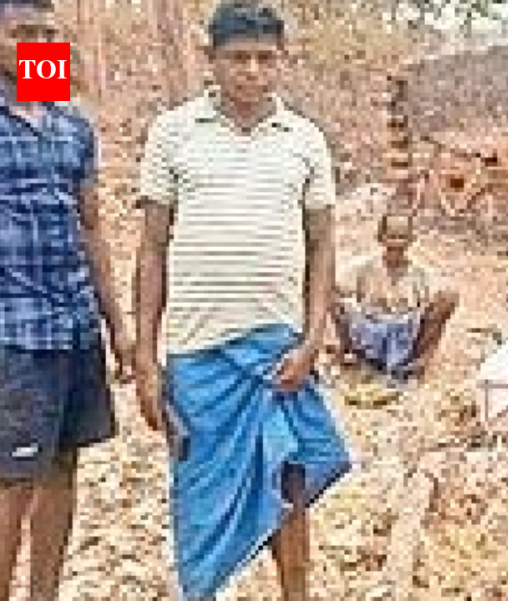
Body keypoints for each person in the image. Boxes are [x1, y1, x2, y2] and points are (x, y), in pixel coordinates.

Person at [134, 2, 351, 599]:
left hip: (278, 353)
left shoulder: (304, 139)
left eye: (264, 59)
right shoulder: (173, 133)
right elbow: (151, 250)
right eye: (237, 59)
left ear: (282, 61)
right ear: (212, 59)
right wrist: (145, 362)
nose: (251, 72)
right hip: (198, 355)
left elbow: (323, 245)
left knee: (291, 483)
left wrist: (311, 342)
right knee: (200, 495)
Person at [0, 1, 134, 599]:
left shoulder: (69, 121)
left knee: (62, 464)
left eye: (47, 36)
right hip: (13, 331)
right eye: (21, 34)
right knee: (11, 479)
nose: (35, 45)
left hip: (75, 325)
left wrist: (118, 325)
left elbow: (92, 228)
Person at [333, 211, 458, 385]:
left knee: (449, 297)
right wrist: (354, 311)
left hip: (406, 334)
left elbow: (438, 299)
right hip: (369, 330)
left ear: (411, 240)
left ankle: (418, 363)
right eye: (392, 237)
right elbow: (336, 287)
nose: (397, 243)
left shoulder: (420, 273)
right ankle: (353, 353)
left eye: (402, 237)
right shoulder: (364, 267)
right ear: (380, 238)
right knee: (333, 299)